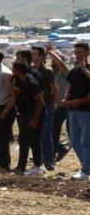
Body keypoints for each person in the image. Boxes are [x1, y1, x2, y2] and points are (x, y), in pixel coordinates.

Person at [48, 42, 90, 181]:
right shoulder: (74, 71)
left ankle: (85, 170)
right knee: (74, 140)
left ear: (87, 53)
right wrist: (67, 99)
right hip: (72, 110)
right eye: (76, 52)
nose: (78, 55)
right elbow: (70, 87)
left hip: (86, 111)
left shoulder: (87, 70)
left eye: (81, 52)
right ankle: (86, 166)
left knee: (86, 141)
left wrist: (76, 102)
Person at [1, 61, 46, 175]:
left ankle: (38, 166)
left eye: (13, 69)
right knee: (23, 140)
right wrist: (6, 110)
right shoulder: (20, 81)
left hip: (34, 114)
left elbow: (40, 102)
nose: (12, 71)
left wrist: (35, 119)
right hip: (24, 114)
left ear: (19, 70)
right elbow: (15, 96)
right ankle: (21, 167)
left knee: (33, 140)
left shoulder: (31, 82)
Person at [31, 46, 57, 171]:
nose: (32, 56)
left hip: (47, 105)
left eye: (35, 54)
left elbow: (54, 88)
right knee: (36, 135)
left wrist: (55, 103)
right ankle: (39, 161)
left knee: (46, 135)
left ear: (41, 56)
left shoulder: (47, 70)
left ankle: (50, 163)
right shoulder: (31, 70)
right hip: (35, 106)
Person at [52, 55, 71, 162]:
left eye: (55, 63)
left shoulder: (64, 74)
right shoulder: (52, 74)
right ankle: (57, 149)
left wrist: (51, 53)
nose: (53, 65)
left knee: (53, 132)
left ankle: (58, 150)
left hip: (61, 107)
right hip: (53, 107)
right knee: (51, 132)